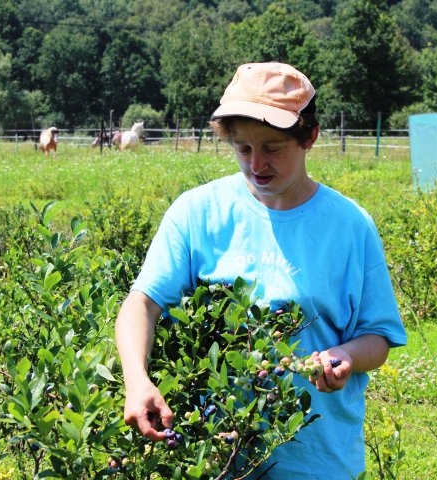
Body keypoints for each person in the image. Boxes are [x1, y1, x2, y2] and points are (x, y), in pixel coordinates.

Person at [115, 61, 407, 479]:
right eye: (243, 148)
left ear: (309, 137)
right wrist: (137, 380)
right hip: (212, 453)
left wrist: (346, 355)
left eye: (272, 148)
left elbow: (377, 336)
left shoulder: (349, 225)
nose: (256, 164)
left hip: (315, 458)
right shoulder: (197, 212)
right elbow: (141, 304)